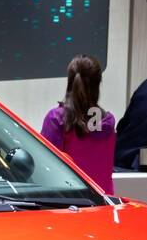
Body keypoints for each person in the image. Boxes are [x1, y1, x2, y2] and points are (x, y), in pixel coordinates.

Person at [40, 55, 117, 192]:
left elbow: (46, 169)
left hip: (70, 205)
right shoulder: (108, 123)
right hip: (104, 203)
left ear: (70, 81)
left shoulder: (56, 119)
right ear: (98, 84)